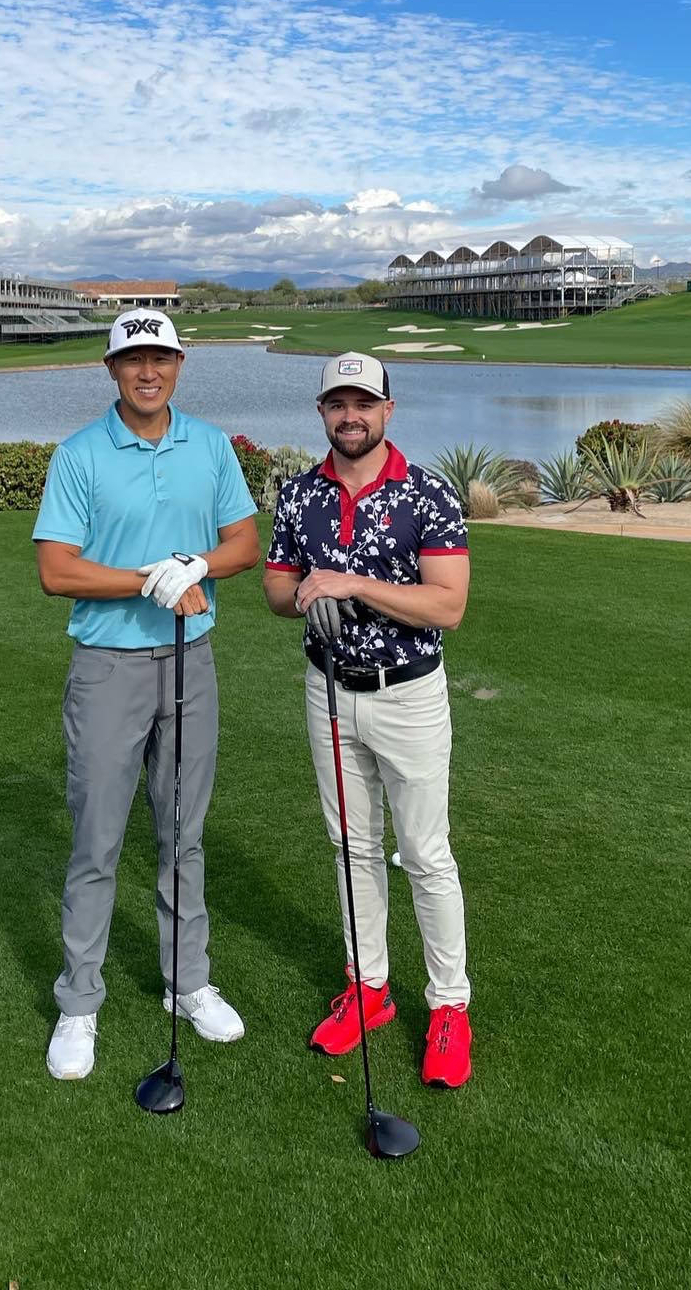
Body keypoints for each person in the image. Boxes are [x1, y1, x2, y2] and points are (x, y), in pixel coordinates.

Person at [33, 308, 260, 1081]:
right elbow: (57, 570)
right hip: (108, 667)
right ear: (112, 370)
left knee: (183, 833)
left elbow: (244, 544)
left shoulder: (212, 445)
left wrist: (195, 565)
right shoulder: (80, 455)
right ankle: (79, 1003)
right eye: (133, 360)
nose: (148, 371)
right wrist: (146, 581)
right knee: (98, 838)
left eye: (160, 357)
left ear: (179, 363)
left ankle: (186, 981)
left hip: (189, 660)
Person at [263, 353, 474, 1088]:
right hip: (328, 689)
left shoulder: (429, 493)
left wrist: (353, 583)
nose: (349, 416)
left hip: (408, 693)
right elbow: (277, 586)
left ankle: (449, 1007)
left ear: (389, 408)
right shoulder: (299, 494)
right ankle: (369, 988)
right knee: (351, 847)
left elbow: (447, 605)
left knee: (424, 854)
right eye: (336, 404)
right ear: (321, 412)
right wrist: (304, 599)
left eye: (363, 403)